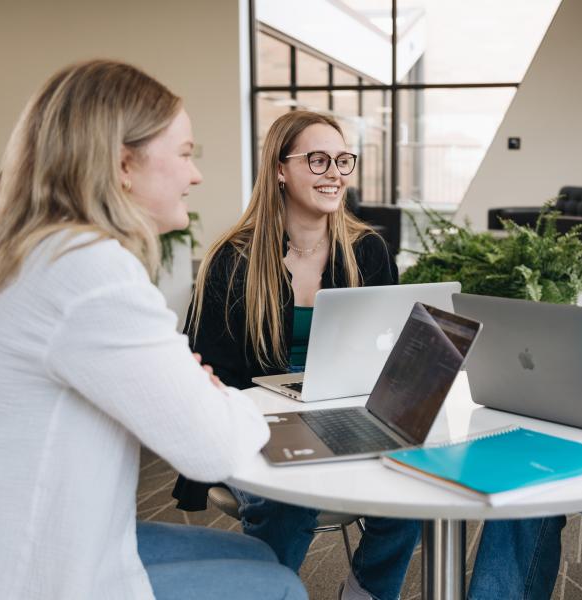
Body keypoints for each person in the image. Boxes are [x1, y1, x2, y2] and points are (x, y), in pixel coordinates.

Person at [0, 60, 305, 600]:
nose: (195, 176)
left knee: (255, 553)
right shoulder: (88, 271)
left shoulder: (24, 250)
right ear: (125, 164)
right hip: (36, 575)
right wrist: (218, 395)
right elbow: (213, 450)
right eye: (186, 154)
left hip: (5, 544)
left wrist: (200, 393)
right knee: (280, 586)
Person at [171, 110, 421, 600]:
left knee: (415, 482)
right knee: (287, 499)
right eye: (318, 160)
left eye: (343, 160)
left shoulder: (368, 251)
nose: (335, 173)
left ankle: (366, 591)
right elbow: (208, 374)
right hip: (252, 421)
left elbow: (389, 355)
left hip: (345, 414)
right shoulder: (234, 258)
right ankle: (267, 590)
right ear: (280, 170)